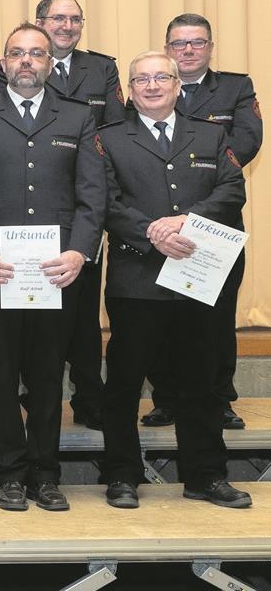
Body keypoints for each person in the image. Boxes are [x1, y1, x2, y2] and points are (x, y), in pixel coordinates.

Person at [0, 23, 104, 512]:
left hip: (58, 271)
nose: (27, 62)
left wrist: (80, 251)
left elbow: (93, 194)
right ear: (3, 62)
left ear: (50, 63)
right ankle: (9, 472)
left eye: (36, 54)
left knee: (47, 374)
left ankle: (45, 473)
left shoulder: (77, 118)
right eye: (17, 53)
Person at [100, 51, 251, 509]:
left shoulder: (210, 134)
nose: (151, 86)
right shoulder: (107, 139)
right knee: (125, 382)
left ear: (177, 85)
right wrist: (152, 232)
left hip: (196, 276)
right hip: (137, 278)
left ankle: (205, 475)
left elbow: (232, 188)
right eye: (141, 79)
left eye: (160, 77)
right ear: (129, 89)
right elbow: (103, 201)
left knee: (200, 382)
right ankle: (122, 475)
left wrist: (187, 220)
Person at [0, 0, 124, 432]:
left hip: (74, 226)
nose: (68, 26)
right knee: (15, 342)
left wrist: (84, 238)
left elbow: (111, 137)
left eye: (75, 19)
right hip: (14, 233)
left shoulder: (101, 69)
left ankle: (88, 398)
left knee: (82, 322)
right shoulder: (9, 78)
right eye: (58, 18)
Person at [142, 13, 262, 431]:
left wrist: (195, 198)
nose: (188, 50)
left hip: (215, 220)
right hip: (161, 226)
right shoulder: (148, 86)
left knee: (215, 316)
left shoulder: (235, 86)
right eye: (179, 44)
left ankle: (219, 398)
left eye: (197, 43)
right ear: (167, 47)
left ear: (210, 47)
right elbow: (134, 150)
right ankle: (167, 398)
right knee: (163, 317)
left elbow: (246, 142)